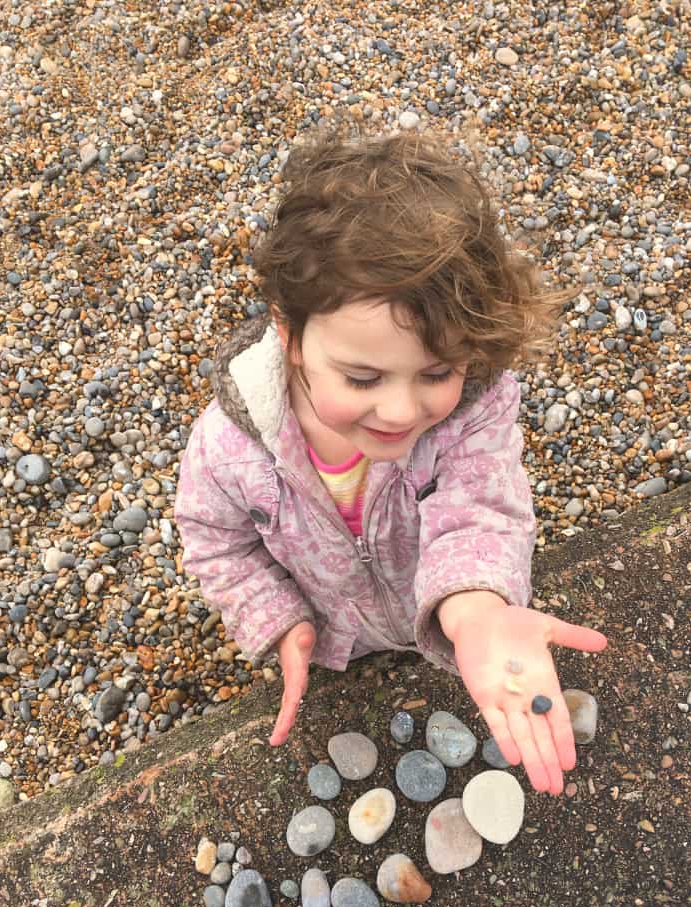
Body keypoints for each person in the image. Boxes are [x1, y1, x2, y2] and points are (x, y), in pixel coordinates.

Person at [174, 124, 607, 796]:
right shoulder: (231, 446)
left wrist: (478, 616)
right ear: (290, 337)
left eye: (437, 370)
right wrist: (276, 618)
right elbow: (215, 541)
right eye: (363, 378)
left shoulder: (472, 410)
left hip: (436, 612)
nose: (403, 411)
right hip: (332, 630)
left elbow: (479, 506)